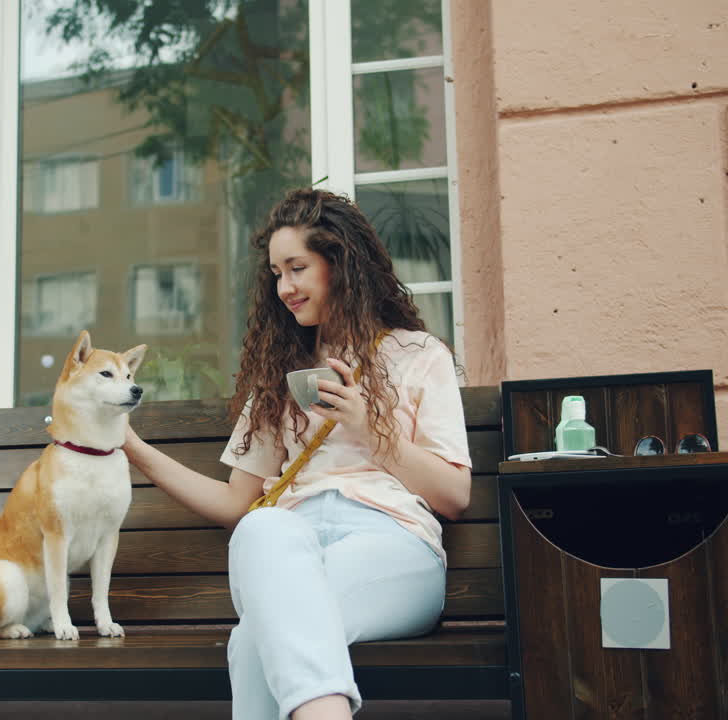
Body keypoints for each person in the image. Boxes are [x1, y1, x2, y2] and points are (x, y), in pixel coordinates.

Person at [122, 188, 472, 720]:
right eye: (276, 274)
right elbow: (238, 504)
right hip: (287, 545)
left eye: (297, 268)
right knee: (263, 527)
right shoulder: (281, 373)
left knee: (254, 639)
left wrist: (368, 427)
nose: (284, 287)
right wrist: (133, 448)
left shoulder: (418, 354)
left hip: (391, 544)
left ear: (341, 263)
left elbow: (454, 496)